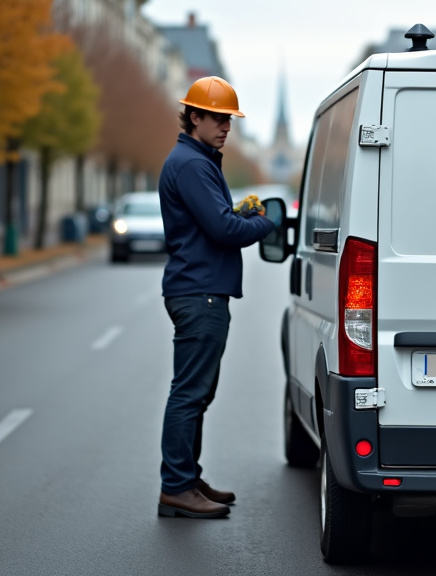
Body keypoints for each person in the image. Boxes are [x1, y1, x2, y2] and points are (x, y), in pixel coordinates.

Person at [156, 76, 279, 519]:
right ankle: (176, 486)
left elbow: (217, 218)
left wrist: (240, 212)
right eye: (218, 118)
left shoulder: (199, 159)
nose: (226, 126)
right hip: (199, 291)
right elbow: (223, 230)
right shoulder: (192, 164)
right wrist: (265, 223)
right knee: (190, 394)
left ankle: (187, 478)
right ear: (194, 116)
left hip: (200, 289)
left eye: (229, 119)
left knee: (196, 393)